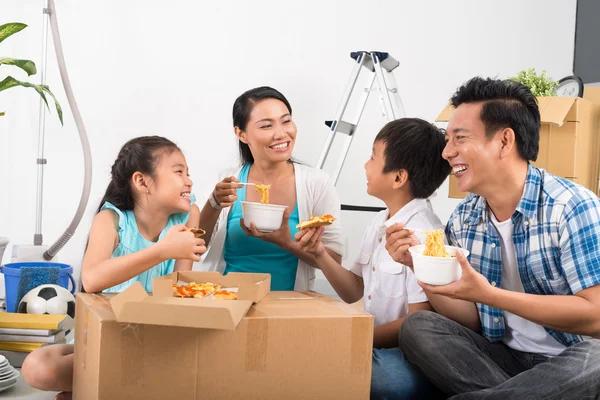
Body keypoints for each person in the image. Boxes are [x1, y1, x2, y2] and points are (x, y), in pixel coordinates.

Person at [386, 77, 600, 399]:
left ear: (504, 142)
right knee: (418, 327)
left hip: (570, 359)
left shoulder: (571, 207)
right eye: (447, 140)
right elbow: (472, 319)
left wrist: (491, 295)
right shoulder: (465, 217)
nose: (447, 152)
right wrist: (420, 266)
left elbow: (595, 316)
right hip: (503, 359)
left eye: (459, 138)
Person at [22, 136, 206, 400]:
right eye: (179, 172)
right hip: (105, 337)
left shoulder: (189, 216)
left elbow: (180, 291)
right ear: (142, 182)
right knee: (37, 367)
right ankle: (121, 383)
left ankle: (103, 385)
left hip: (156, 340)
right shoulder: (111, 219)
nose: (189, 181)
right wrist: (162, 250)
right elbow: (92, 279)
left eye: (188, 173)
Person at [296, 118, 449, 399]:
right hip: (376, 346)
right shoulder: (379, 222)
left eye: (372, 157)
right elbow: (354, 289)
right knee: (318, 358)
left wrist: (356, 337)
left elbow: (419, 322)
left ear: (398, 178)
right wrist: (319, 253)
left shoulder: (424, 233)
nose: (365, 165)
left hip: (409, 356)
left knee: (348, 371)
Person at [200, 86, 344, 291]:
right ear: (241, 134)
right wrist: (213, 203)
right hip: (229, 302)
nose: (281, 134)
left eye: (286, 121)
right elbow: (196, 246)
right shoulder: (226, 181)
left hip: (290, 307)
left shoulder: (317, 182)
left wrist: (287, 242)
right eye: (266, 126)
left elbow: (334, 259)